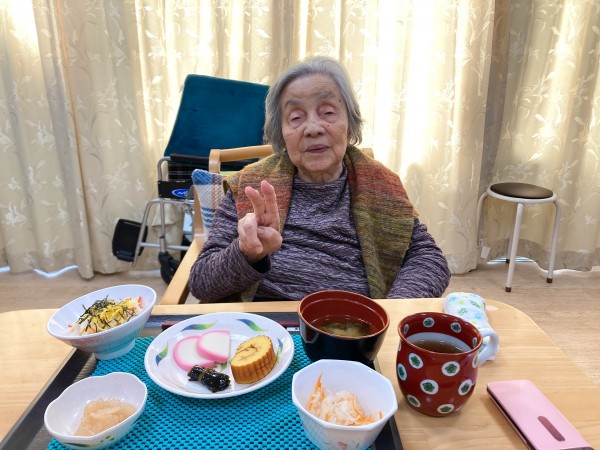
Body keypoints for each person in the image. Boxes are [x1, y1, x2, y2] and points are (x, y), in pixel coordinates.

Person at [189, 56, 450, 302]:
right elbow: (201, 283)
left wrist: (390, 310)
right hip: (265, 323)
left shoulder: (381, 186)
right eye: (296, 117)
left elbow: (429, 259)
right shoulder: (252, 187)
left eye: (327, 112)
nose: (313, 128)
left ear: (350, 122)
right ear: (281, 134)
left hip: (353, 323)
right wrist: (246, 252)